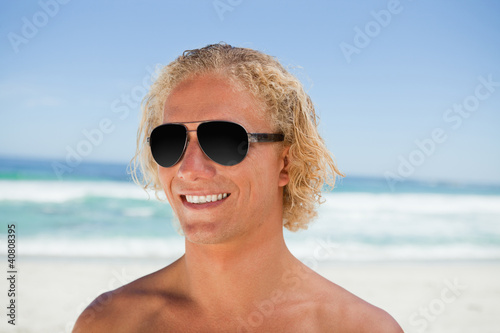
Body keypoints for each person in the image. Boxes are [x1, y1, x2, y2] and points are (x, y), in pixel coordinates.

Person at [73, 43, 402, 332]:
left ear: (285, 163)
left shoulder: (361, 328)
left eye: (224, 140)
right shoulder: (109, 323)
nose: (190, 169)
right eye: (170, 142)